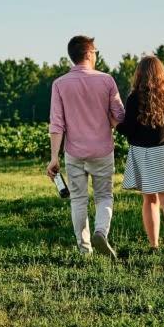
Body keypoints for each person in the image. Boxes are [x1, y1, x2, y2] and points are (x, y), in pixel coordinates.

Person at [48, 35, 125, 259]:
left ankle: (85, 250)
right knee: (104, 196)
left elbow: (57, 123)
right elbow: (120, 115)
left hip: (74, 152)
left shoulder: (59, 84)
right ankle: (101, 231)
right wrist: (107, 122)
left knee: (79, 199)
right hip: (102, 150)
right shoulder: (107, 80)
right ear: (90, 54)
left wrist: (54, 157)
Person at [116, 56, 164, 250]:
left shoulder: (134, 98)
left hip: (144, 154)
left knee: (150, 201)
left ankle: (154, 244)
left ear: (139, 75)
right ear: (162, 73)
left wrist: (115, 124)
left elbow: (128, 129)